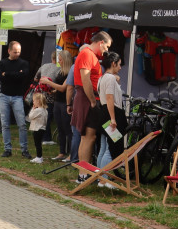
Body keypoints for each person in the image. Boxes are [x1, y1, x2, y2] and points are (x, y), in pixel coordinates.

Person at [72, 31, 112, 182]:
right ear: (101, 42)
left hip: (87, 97)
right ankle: (83, 174)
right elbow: (85, 80)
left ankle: (83, 174)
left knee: (87, 137)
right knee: (89, 137)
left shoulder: (90, 55)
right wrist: (93, 101)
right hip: (87, 98)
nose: (106, 50)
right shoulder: (88, 54)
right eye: (106, 46)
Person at [93, 51, 126, 188]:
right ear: (113, 64)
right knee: (111, 149)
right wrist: (113, 118)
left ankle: (100, 178)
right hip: (112, 113)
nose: (120, 67)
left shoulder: (102, 78)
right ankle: (104, 179)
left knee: (103, 147)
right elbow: (110, 98)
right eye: (119, 65)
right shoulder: (110, 79)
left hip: (103, 113)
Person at [0, 40, 31, 159]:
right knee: (5, 124)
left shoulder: (24, 63)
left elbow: (23, 76)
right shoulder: (2, 63)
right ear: (9, 51)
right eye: (15, 52)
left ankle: (24, 149)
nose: (17, 54)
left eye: (19, 52)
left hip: (17, 96)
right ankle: (7, 149)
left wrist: (7, 74)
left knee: (21, 124)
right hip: (4, 96)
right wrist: (15, 74)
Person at [40, 49, 74, 161]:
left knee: (67, 129)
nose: (59, 61)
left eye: (60, 60)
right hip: (58, 102)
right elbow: (59, 88)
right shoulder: (60, 71)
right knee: (60, 128)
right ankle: (61, 152)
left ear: (65, 60)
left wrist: (49, 83)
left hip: (65, 103)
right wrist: (52, 91)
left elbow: (64, 88)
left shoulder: (70, 72)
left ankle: (71, 154)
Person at [34, 49, 61, 144]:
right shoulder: (60, 69)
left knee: (41, 116)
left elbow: (36, 78)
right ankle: (46, 138)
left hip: (39, 94)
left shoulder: (44, 66)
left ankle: (41, 136)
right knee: (48, 117)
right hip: (50, 95)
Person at [28, 92, 48, 164]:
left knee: (37, 144)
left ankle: (39, 157)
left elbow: (30, 116)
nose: (33, 102)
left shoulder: (38, 110)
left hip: (37, 129)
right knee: (38, 143)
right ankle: (39, 156)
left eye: (34, 101)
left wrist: (33, 109)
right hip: (42, 128)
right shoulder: (45, 110)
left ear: (38, 101)